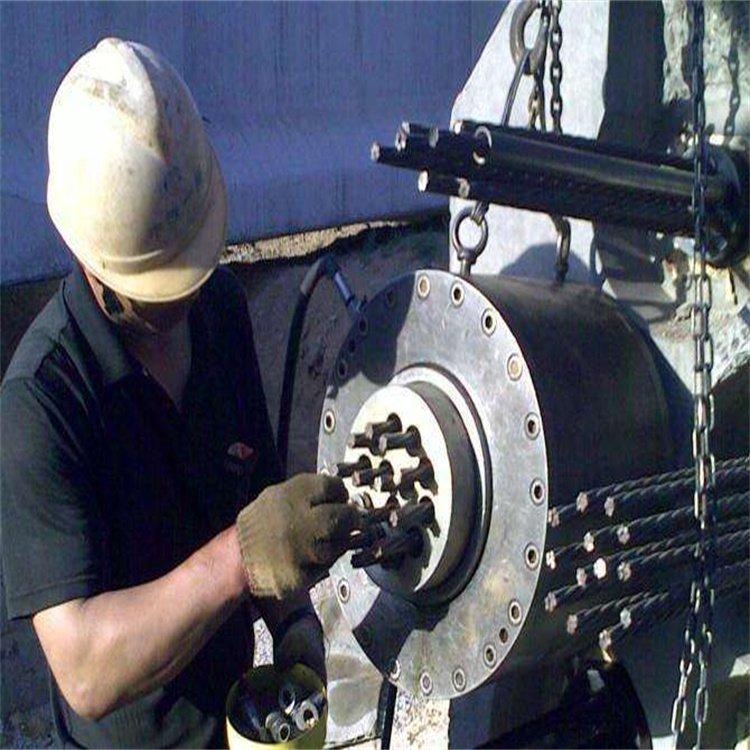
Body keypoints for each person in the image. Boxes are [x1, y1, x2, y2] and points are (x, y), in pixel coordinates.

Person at [0, 38, 362, 748]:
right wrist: (239, 559)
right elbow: (84, 671)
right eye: (162, 283)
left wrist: (292, 617)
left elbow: (253, 490)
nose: (184, 296)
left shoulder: (218, 309)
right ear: (91, 254)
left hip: (237, 724)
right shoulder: (42, 405)